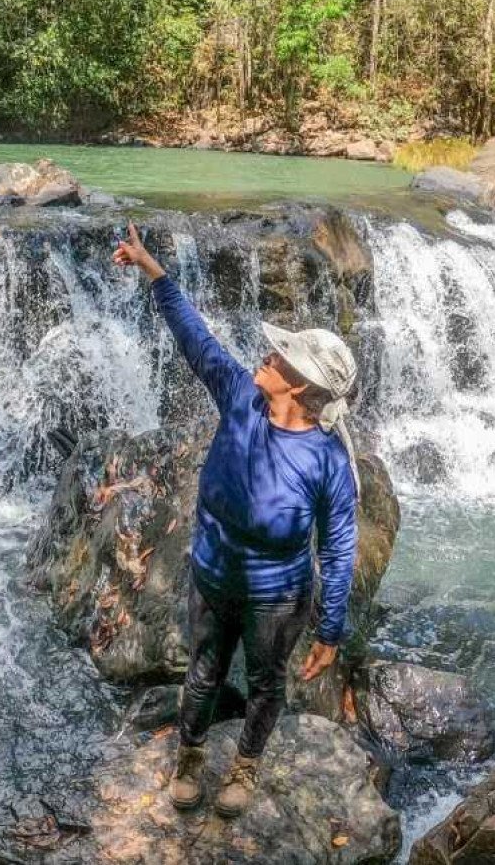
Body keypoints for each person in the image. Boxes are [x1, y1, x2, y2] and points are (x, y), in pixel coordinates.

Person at [112, 223, 360, 819]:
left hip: (278, 597)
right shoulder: (239, 395)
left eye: (279, 357)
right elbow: (194, 337)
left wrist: (330, 630)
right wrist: (153, 270)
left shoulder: (326, 461)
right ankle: (191, 757)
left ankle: (245, 765)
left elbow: (342, 546)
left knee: (267, 683)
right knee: (201, 673)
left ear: (299, 385)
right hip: (214, 575)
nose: (266, 355)